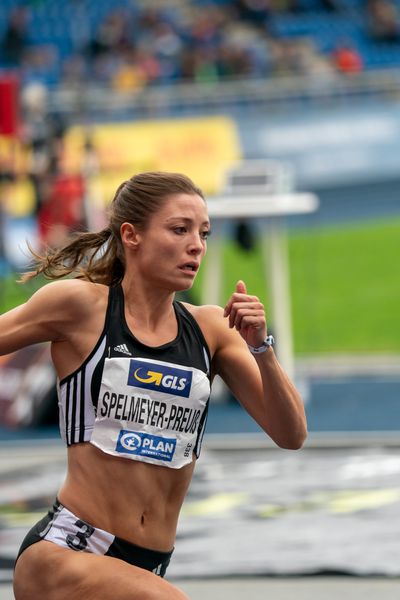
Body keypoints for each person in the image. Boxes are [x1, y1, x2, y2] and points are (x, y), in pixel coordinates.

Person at [1, 171, 307, 600]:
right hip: (67, 553)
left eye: (203, 233)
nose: (196, 244)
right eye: (179, 229)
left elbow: (291, 434)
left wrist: (262, 349)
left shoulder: (211, 329)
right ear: (131, 236)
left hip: (148, 564)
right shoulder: (80, 307)